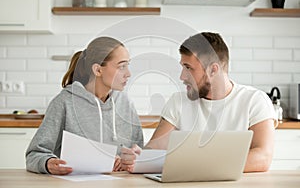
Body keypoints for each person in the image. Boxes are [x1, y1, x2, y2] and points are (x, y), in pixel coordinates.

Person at [120, 32, 276, 173]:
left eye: (188, 68)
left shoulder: (255, 100)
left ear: (213, 70)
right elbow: (155, 149)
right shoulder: (178, 102)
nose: (182, 76)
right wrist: (140, 157)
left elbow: (262, 157)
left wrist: (199, 165)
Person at [26, 37, 144, 175]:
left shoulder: (125, 103)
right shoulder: (65, 102)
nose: (128, 74)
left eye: (128, 65)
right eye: (121, 66)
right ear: (98, 70)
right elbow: (33, 155)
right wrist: (48, 163)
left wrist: (133, 160)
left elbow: (139, 154)